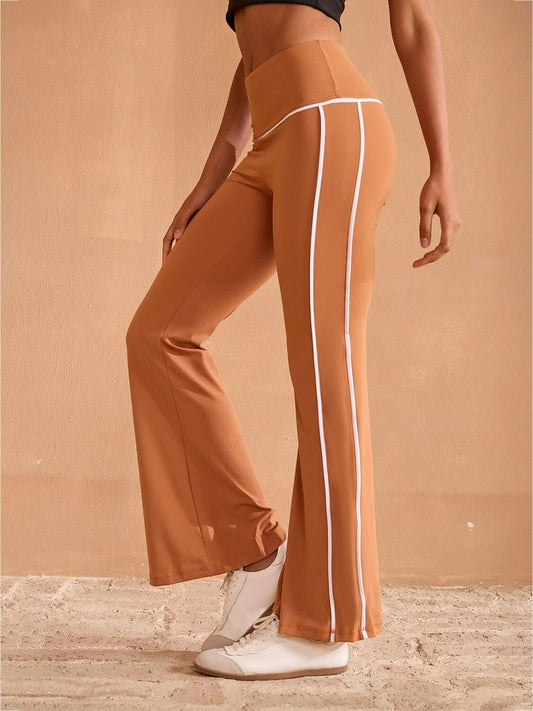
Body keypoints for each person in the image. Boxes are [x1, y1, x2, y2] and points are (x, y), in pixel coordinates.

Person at [125, 0, 461, 681]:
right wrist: (217, 167)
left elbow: (414, 22)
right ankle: (255, 552)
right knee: (160, 333)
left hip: (331, 120)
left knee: (326, 370)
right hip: (273, 133)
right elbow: (254, 45)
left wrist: (442, 167)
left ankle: (325, 626)